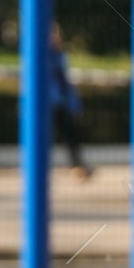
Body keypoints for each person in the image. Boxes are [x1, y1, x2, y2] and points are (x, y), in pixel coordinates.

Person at [50, 24, 91, 180]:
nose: (55, 38)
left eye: (57, 35)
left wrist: (74, 102)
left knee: (70, 135)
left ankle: (77, 166)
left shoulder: (60, 55)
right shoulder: (40, 56)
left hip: (60, 102)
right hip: (45, 105)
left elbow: (66, 81)